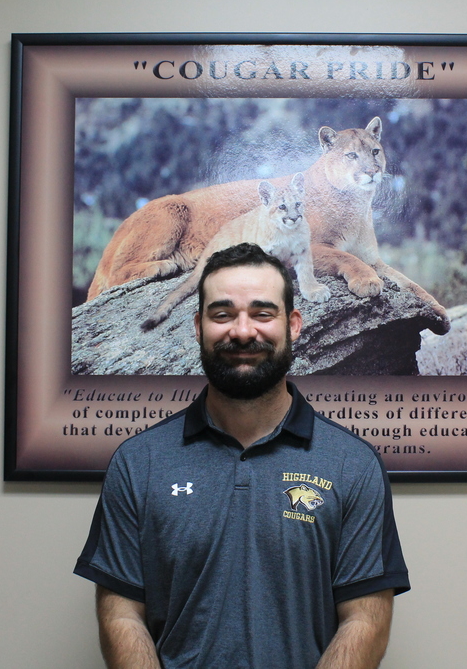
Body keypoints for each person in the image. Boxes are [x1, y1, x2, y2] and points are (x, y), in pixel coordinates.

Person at [75, 243, 409, 669]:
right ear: (197, 326)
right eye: (223, 314)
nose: (243, 330)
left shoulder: (353, 465)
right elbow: (121, 613)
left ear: (294, 324)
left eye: (263, 313)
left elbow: (365, 619)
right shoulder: (138, 462)